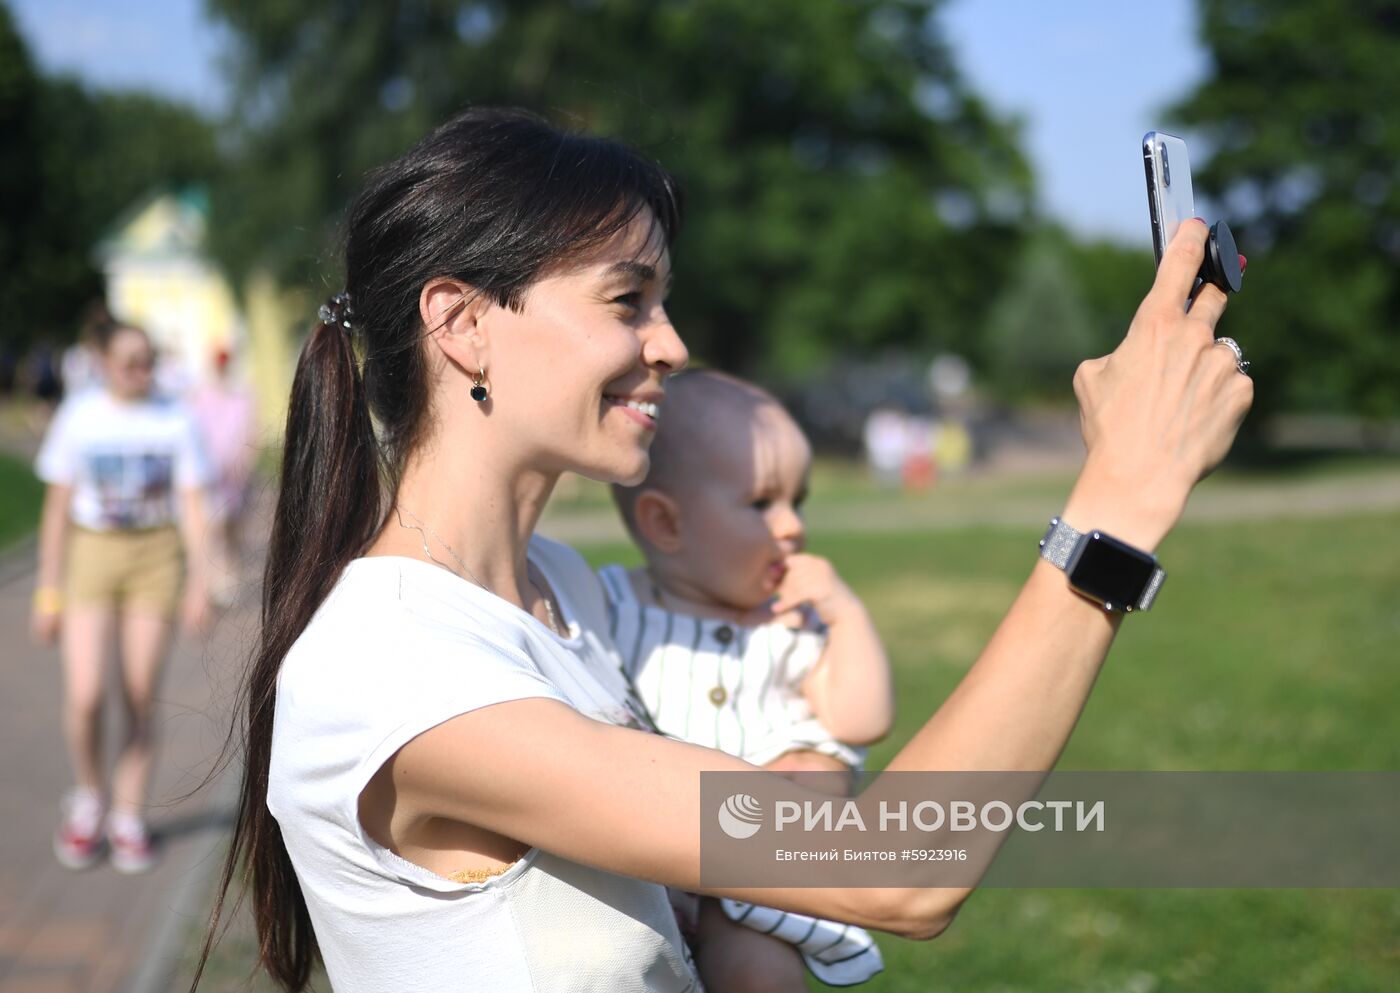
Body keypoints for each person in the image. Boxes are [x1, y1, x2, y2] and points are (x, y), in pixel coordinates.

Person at [196, 108, 1252, 993]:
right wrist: (1117, 500)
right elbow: (896, 870)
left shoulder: (562, 593)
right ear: (463, 324)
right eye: (627, 301)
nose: (671, 344)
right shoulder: (386, 667)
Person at [602, 369, 895, 989]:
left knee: (760, 975)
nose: (791, 525)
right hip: (638, 868)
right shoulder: (607, 604)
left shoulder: (792, 622)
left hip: (756, 894)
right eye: (763, 503)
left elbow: (860, 719)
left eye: (797, 500)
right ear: (665, 525)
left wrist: (846, 616)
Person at [31, 319, 213, 874]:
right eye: (130, 360)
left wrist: (201, 582)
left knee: (139, 694)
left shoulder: (176, 418)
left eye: (147, 359)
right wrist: (47, 588)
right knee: (86, 693)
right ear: (104, 361)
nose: (142, 370)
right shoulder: (80, 415)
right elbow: (58, 506)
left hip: (155, 558)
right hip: (92, 555)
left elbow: (193, 506)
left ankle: (129, 813)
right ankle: (90, 797)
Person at [190, 346, 258, 605]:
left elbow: (250, 428)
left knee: (232, 527)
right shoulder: (201, 395)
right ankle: (217, 577)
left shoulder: (241, 393)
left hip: (235, 472)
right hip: (211, 471)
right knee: (213, 525)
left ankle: (231, 573)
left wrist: (245, 461)